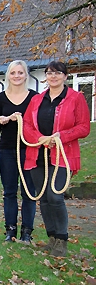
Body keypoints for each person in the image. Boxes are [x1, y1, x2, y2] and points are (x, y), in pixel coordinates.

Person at [23, 61, 90, 256]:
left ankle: (62, 239)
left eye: (57, 73)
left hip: (63, 154)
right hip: (38, 154)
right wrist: (39, 139)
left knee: (54, 196)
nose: (53, 76)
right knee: (43, 198)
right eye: (49, 73)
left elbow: (84, 127)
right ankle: (51, 237)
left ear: (65, 76)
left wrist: (61, 136)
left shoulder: (75, 98)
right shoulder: (37, 100)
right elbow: (27, 124)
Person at [0, 60, 38, 243]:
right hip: (6, 150)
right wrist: (2, 120)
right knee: (9, 191)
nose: (17, 76)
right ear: (8, 76)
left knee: (29, 192)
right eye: (13, 73)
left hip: (29, 149)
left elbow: (39, 124)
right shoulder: (1, 98)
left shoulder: (35, 97)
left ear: (26, 75)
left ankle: (27, 231)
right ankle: (10, 230)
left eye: (20, 72)